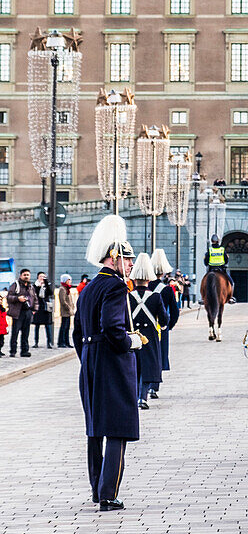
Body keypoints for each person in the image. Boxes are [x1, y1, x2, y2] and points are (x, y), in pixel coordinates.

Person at [72, 214, 142, 511]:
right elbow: (113, 327)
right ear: (114, 258)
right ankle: (108, 494)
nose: (130, 266)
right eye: (127, 260)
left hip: (90, 361)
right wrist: (130, 342)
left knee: (95, 428)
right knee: (117, 428)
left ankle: (96, 487)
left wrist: (88, 358)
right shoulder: (115, 287)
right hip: (112, 363)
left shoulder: (88, 288)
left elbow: (77, 333)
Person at [129, 253, 169, 409]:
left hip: (133, 335)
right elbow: (164, 319)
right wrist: (164, 326)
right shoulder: (155, 297)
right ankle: (143, 397)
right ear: (148, 279)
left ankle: (134, 396)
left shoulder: (128, 296)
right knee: (147, 367)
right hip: (150, 336)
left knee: (134, 367)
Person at [149, 248, 180, 395]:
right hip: (161, 327)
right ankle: (155, 386)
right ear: (162, 273)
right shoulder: (167, 290)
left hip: (144, 327)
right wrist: (169, 325)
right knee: (159, 355)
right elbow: (174, 311)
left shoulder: (145, 287)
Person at [7, 268, 37, 358]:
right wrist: (17, 298)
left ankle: (24, 351)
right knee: (15, 332)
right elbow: (9, 297)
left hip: (28, 312)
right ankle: (13, 351)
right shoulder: (15, 285)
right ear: (21, 276)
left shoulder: (31, 287)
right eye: (24, 275)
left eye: (28, 275)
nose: (26, 276)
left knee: (26, 333)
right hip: (18, 312)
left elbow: (35, 299)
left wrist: (34, 309)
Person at [33, 272, 54, 348]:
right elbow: (34, 294)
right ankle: (36, 342)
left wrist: (46, 284)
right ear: (37, 277)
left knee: (47, 326)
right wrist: (39, 286)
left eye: (43, 276)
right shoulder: (35, 285)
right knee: (37, 326)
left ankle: (49, 342)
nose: (42, 278)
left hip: (45, 308)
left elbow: (50, 293)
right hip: (38, 307)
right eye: (40, 276)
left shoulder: (47, 285)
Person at [58, 274, 75, 347]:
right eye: (68, 280)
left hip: (68, 311)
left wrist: (72, 306)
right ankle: (61, 342)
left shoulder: (67, 288)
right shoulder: (62, 289)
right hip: (65, 311)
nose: (70, 281)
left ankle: (66, 342)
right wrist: (69, 308)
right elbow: (63, 301)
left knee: (67, 327)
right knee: (64, 327)